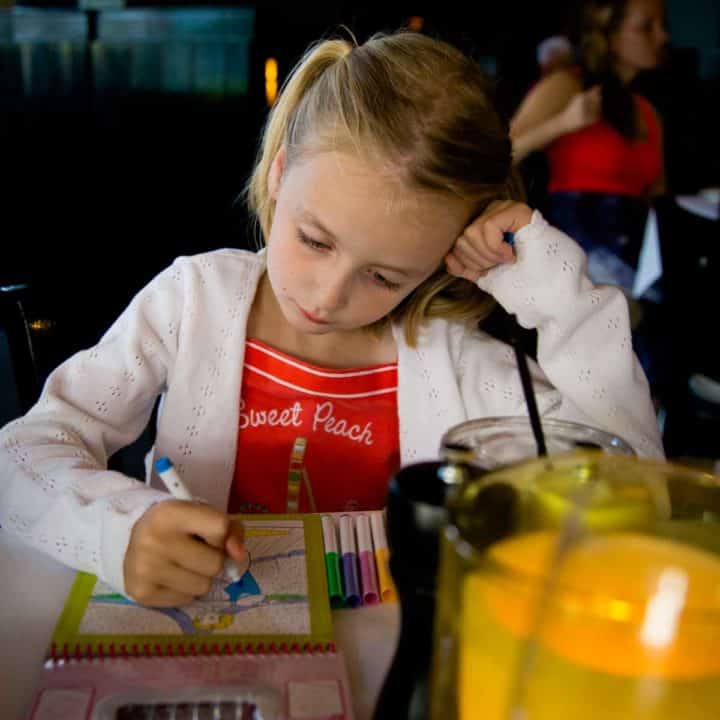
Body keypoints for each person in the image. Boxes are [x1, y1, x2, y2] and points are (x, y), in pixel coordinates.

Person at [0, 31, 662, 609]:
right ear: (281, 174)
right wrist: (119, 530)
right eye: (314, 241)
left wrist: (552, 292)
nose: (326, 295)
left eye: (384, 276)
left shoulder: (455, 361)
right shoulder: (193, 301)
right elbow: (21, 455)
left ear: (442, 255)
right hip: (206, 639)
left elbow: (632, 493)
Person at [510, 0, 669, 293]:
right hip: (577, 261)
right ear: (610, 34)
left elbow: (657, 194)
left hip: (642, 267)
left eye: (663, 26)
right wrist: (563, 123)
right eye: (647, 26)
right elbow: (503, 152)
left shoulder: (649, 112)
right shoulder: (568, 85)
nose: (662, 37)